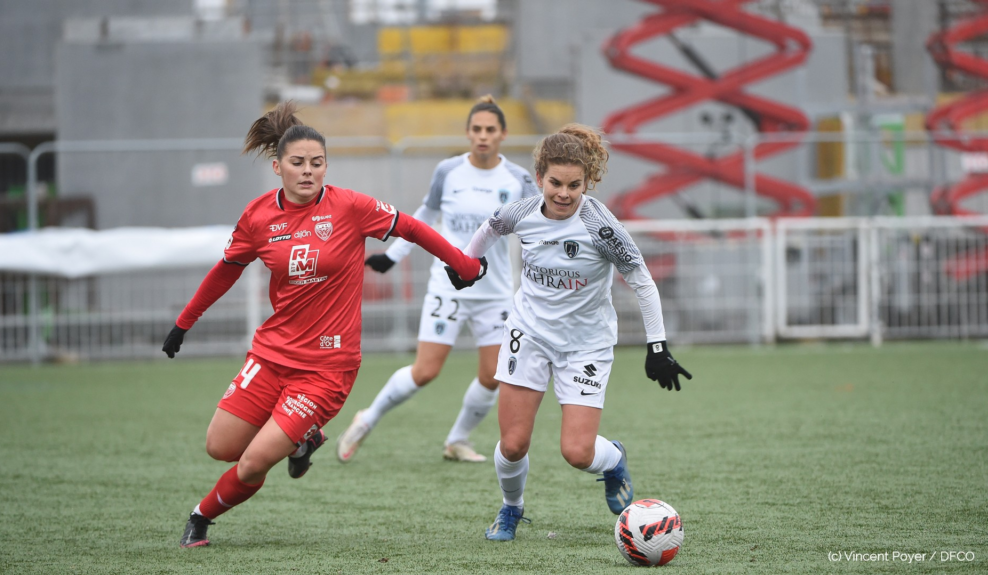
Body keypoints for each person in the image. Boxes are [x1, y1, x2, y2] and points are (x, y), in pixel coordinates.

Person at [160, 101, 487, 548]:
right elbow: (227, 269)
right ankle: (300, 442)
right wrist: (184, 323)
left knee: (254, 462)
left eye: (317, 163)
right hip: (270, 356)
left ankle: (200, 517)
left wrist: (464, 264)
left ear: (326, 166)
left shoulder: (350, 207)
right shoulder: (257, 217)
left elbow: (411, 227)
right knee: (220, 447)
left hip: (326, 368)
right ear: (277, 166)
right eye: (298, 163)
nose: (308, 171)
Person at [458, 124, 692, 541]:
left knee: (578, 453)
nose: (563, 194)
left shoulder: (602, 226)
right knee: (512, 445)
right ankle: (511, 510)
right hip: (527, 334)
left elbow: (641, 280)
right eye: (555, 183)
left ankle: (614, 459)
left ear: (588, 182)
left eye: (574, 185)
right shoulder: (522, 212)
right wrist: (465, 265)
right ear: (539, 178)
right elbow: (489, 229)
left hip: (585, 344)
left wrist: (658, 347)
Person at [336, 95, 539, 464]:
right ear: (467, 133)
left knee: (493, 376)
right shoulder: (448, 171)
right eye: (476, 129)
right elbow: (425, 214)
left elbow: (538, 228)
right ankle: (367, 418)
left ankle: (457, 440)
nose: (482, 136)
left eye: (490, 130)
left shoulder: (519, 179)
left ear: (503, 134)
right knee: (426, 370)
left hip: (493, 293)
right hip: (447, 287)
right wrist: (394, 255)